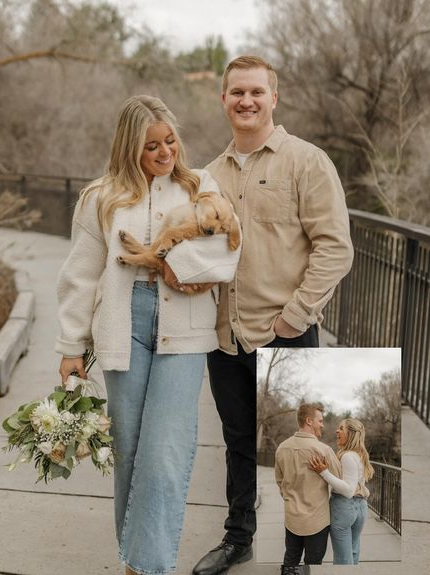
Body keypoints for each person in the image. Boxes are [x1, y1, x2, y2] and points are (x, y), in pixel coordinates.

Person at [55, 95, 240, 575]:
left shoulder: (201, 186)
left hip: (185, 326)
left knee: (165, 454)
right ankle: (136, 564)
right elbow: (81, 274)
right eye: (151, 145)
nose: (164, 153)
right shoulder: (101, 197)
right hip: (124, 324)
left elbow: (225, 254)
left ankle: (147, 567)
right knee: (130, 453)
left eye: (170, 141)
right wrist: (71, 346)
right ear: (129, 148)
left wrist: (165, 263)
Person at [190, 55, 354, 575]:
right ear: (223, 100)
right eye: (237, 92)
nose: (246, 100)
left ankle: (305, 553)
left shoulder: (306, 162)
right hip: (225, 337)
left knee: (299, 451)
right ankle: (238, 537)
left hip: (286, 335)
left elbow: (335, 247)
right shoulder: (207, 176)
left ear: (273, 98)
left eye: (257, 91)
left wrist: (295, 317)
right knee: (238, 442)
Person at [275, 403, 341, 575]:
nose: (323, 425)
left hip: (292, 518)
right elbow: (340, 482)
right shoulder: (324, 450)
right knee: (313, 563)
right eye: (320, 420)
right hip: (317, 520)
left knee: (290, 559)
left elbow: (280, 482)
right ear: (309, 421)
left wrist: (291, 499)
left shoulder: (282, 448)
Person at [309, 418, 374, 565]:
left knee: (343, 560)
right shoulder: (359, 455)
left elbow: (348, 490)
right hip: (360, 508)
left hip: (344, 508)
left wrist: (324, 472)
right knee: (353, 552)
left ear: (350, 433)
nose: (337, 431)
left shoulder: (348, 456)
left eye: (341, 428)